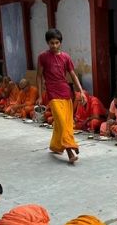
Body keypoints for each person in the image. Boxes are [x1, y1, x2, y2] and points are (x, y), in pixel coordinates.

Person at [36, 28, 86, 165]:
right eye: (51, 43)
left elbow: (73, 75)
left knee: (65, 123)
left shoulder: (66, 57)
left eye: (57, 43)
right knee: (62, 122)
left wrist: (81, 91)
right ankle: (70, 149)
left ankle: (56, 146)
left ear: (60, 43)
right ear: (47, 43)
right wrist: (40, 96)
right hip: (52, 93)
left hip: (66, 93)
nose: (54, 45)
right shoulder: (42, 57)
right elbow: (39, 76)